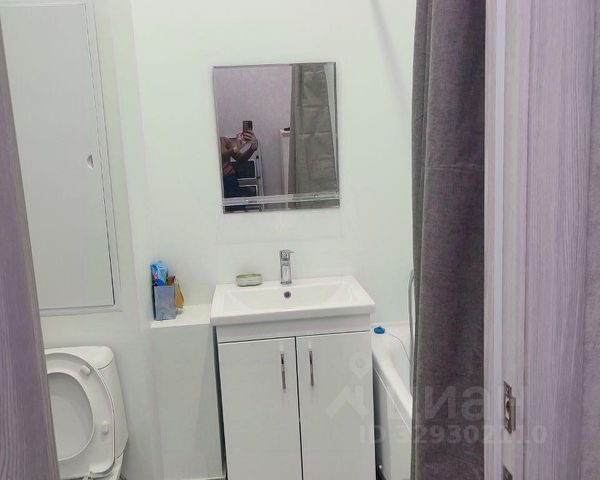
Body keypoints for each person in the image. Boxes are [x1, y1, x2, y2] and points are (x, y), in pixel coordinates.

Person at [220, 130, 258, 201]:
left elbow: (241, 159)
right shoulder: (203, 144)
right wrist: (236, 148)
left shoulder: (224, 140)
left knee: (237, 206)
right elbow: (218, 158)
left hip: (229, 179)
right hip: (213, 181)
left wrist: (252, 148)